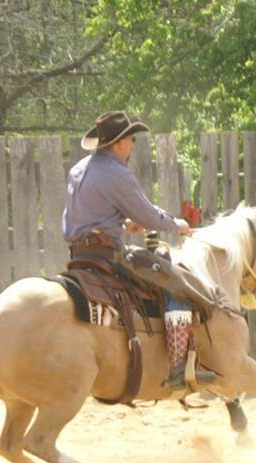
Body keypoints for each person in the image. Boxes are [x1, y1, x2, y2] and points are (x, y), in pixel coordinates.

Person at [63, 111, 217, 391]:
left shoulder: (78, 169)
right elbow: (149, 216)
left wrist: (121, 222)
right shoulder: (117, 173)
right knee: (172, 278)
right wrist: (178, 224)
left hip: (79, 256)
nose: (133, 145)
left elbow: (81, 215)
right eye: (132, 139)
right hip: (108, 256)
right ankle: (179, 365)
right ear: (120, 143)